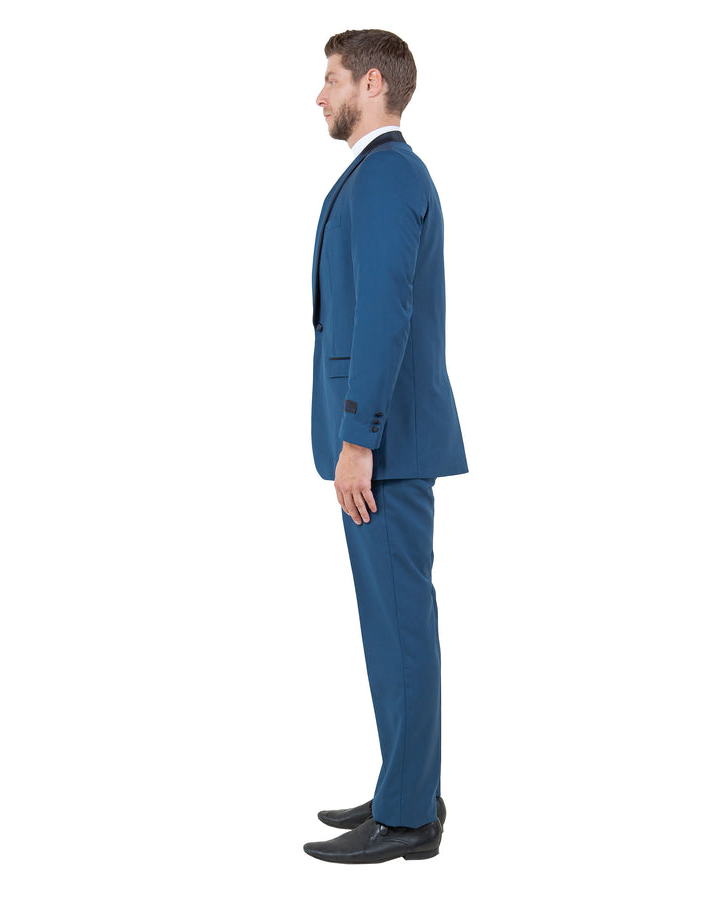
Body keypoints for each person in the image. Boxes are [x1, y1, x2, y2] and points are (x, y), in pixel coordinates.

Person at [303, 29, 468, 865]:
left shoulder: (388, 176)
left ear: (372, 84)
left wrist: (357, 438)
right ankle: (407, 784)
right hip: (383, 445)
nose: (319, 94)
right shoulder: (377, 176)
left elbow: (384, 315)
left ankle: (408, 818)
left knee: (400, 629)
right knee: (392, 627)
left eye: (331, 79)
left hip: (385, 450)